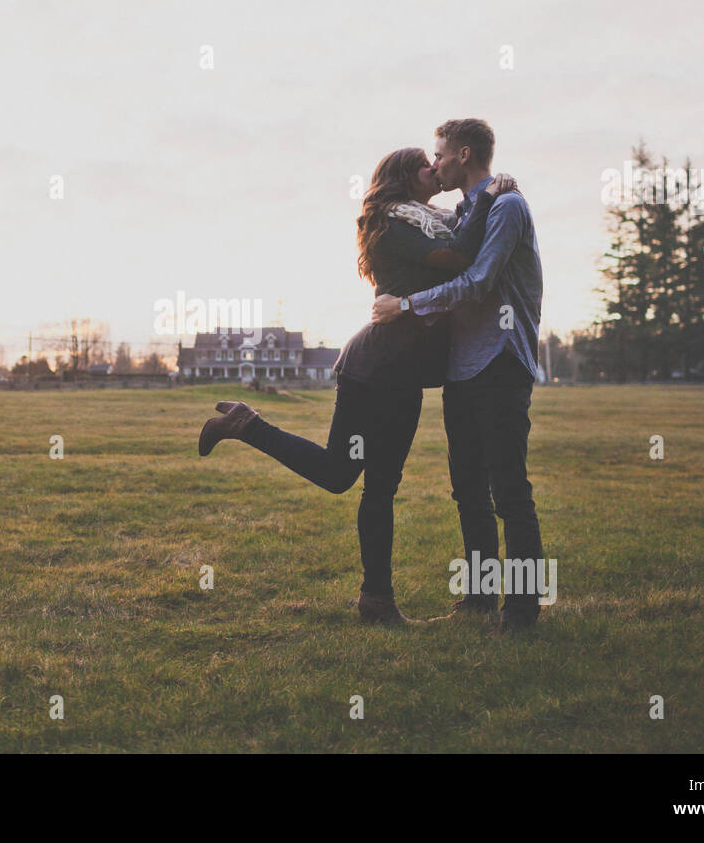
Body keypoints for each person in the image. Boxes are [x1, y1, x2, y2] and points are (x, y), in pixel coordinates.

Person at [197, 146, 516, 624]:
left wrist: (483, 197)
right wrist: (491, 195)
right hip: (375, 370)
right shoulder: (394, 223)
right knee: (340, 474)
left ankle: (377, 601)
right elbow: (461, 256)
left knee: (381, 488)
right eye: (426, 165)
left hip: (403, 375)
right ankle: (246, 425)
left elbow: (459, 240)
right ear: (406, 178)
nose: (436, 168)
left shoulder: (426, 218)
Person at [371, 119, 545, 634]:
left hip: (501, 360)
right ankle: (479, 599)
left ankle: (522, 609)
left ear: (463, 155)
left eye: (440, 154)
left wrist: (405, 304)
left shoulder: (508, 207)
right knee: (467, 489)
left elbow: (479, 280)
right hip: (462, 366)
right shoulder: (471, 209)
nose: (435, 163)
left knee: (510, 491)